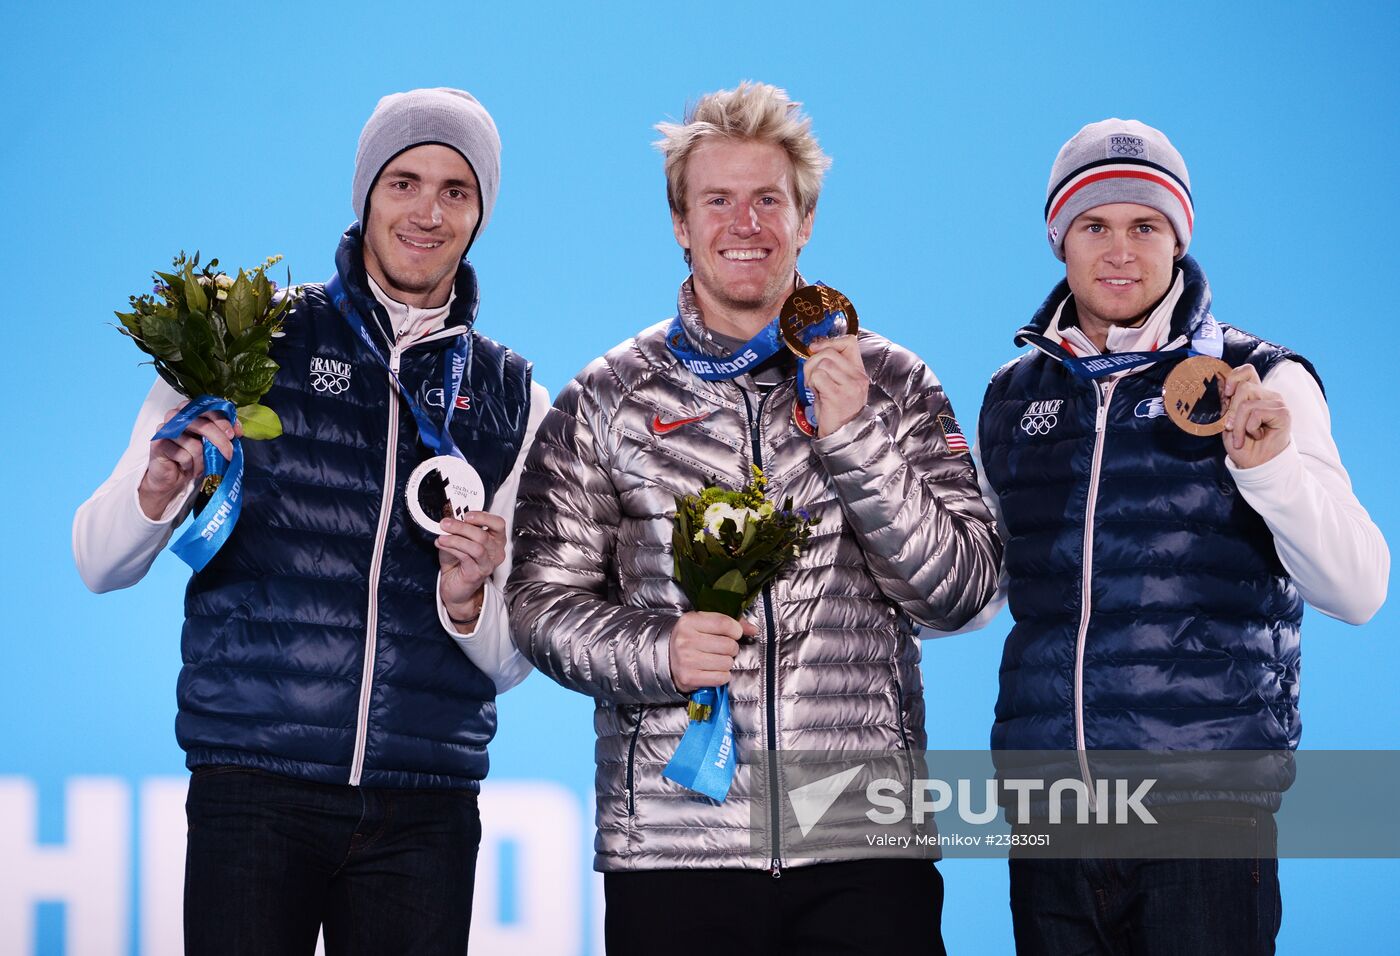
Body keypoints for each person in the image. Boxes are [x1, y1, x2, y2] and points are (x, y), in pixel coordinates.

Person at [505, 81, 1002, 955]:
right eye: (719, 200)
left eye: (769, 200)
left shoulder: (894, 382)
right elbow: (539, 604)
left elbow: (963, 592)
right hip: (673, 850)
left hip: (861, 845)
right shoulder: (607, 398)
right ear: (680, 223)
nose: (746, 223)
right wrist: (656, 651)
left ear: (805, 220)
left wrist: (855, 437)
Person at [73, 88, 549, 955]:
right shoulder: (243, 338)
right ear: (364, 192)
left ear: (482, 213)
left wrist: (471, 599)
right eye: (404, 183)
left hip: (426, 806)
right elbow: (98, 561)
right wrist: (156, 493)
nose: (427, 213)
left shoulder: (515, 397)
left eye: (456, 191)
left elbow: (511, 662)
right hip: (256, 788)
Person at [962, 118, 1389, 954]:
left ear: (1178, 238)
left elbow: (1360, 588)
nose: (1120, 250)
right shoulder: (1011, 395)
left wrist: (1269, 472)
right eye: (1095, 226)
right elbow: (972, 600)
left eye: (1144, 226)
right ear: (1060, 239)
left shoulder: (1262, 377)